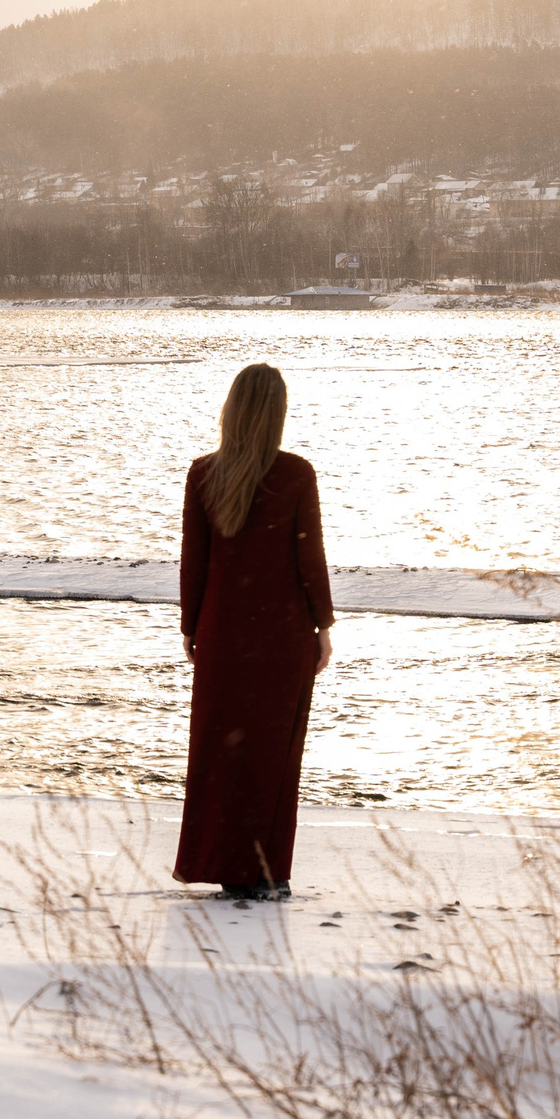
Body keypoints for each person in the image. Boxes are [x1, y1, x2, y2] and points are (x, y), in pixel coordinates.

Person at [173, 362, 334, 901]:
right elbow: (309, 556)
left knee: (219, 756)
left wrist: (192, 627)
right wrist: (323, 625)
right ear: (277, 415)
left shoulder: (203, 473)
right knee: (275, 756)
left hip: (223, 632)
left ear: (232, 410)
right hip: (282, 633)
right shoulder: (294, 474)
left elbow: (194, 561)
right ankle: (267, 871)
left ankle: (222, 862)